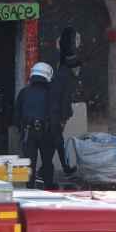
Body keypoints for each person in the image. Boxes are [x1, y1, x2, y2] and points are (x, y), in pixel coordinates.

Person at [15, 62, 62, 189]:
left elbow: (17, 114)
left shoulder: (24, 92)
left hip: (28, 132)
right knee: (47, 162)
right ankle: (48, 186)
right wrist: (56, 135)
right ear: (48, 75)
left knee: (30, 162)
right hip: (46, 132)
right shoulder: (52, 94)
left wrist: (22, 130)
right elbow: (55, 115)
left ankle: (30, 187)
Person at [52, 27, 80, 175]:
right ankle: (64, 168)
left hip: (53, 114)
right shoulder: (66, 77)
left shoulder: (60, 74)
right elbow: (64, 98)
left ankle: (59, 167)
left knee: (55, 142)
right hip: (56, 115)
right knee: (56, 141)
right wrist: (64, 116)